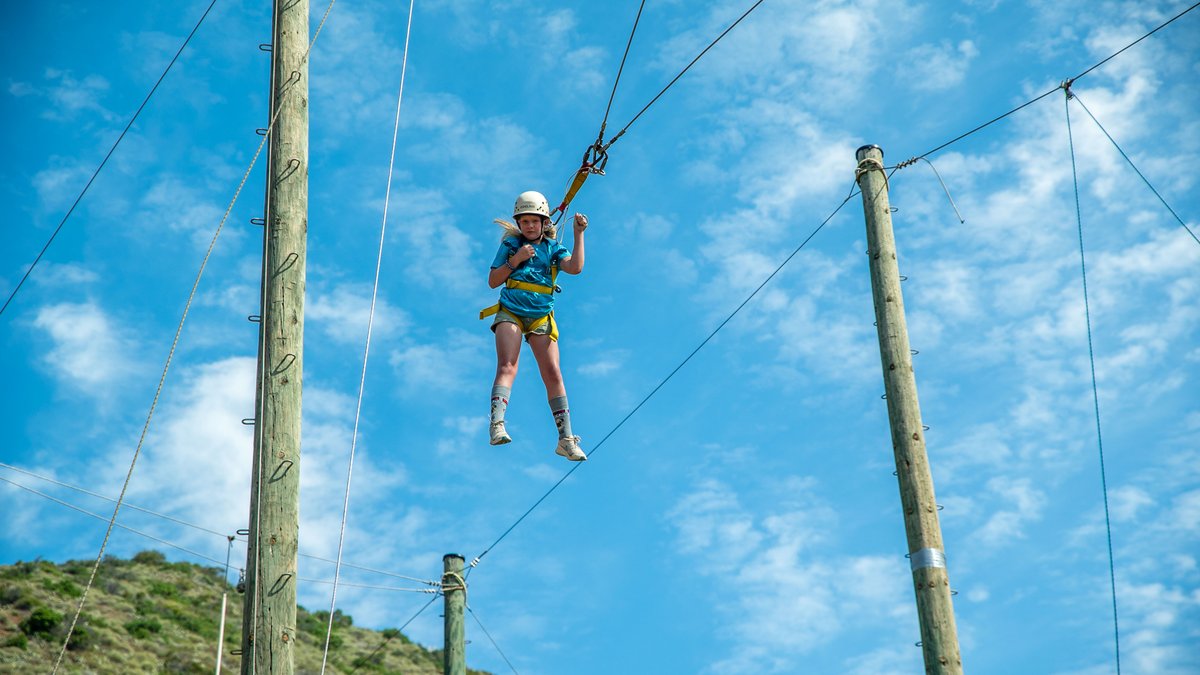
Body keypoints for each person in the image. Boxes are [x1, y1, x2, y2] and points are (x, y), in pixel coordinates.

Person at [480, 190, 588, 461]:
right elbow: (493, 280)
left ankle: (565, 438)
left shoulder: (552, 248)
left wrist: (578, 234)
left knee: (553, 373)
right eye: (524, 221)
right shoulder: (511, 246)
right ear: (518, 223)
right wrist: (515, 261)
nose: (529, 226)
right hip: (512, 310)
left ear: (543, 223)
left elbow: (574, 268)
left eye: (534, 221)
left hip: (540, 315)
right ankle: (497, 424)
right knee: (508, 365)